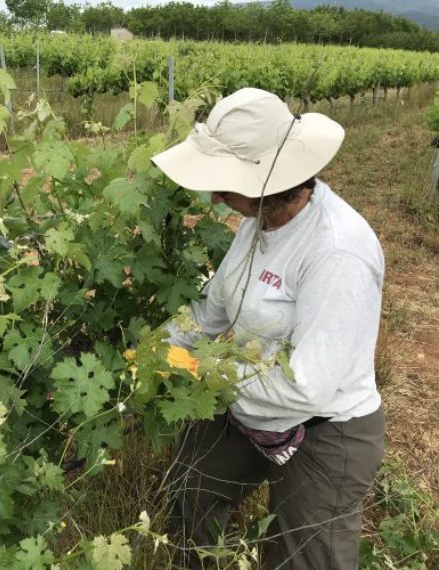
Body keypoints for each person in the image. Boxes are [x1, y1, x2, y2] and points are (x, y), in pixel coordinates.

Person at [150, 88, 385, 569]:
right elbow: (213, 312)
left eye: (225, 183)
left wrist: (201, 370)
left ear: (271, 182)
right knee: (191, 490)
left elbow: (308, 386)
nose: (214, 196)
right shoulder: (254, 225)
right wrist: (157, 347)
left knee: (303, 554)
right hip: (247, 403)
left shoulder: (337, 252)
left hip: (325, 428)